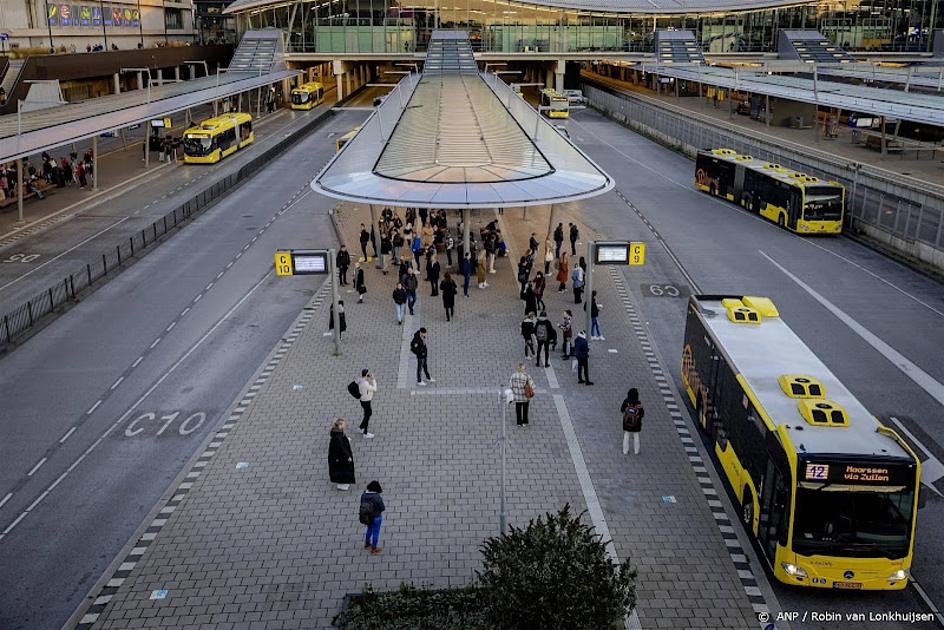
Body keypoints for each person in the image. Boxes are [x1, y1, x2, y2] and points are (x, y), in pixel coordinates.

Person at [359, 480, 385, 554]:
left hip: (367, 516)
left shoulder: (363, 495)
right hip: (376, 517)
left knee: (369, 529)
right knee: (376, 532)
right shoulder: (377, 497)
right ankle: (374, 548)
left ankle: (367, 544)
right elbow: (382, 508)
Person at [328, 419, 355, 490]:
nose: (344, 425)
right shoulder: (338, 437)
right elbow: (342, 449)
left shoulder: (336, 433)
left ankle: (341, 483)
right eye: (343, 424)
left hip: (336, 456)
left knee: (340, 469)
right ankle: (343, 484)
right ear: (340, 426)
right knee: (343, 468)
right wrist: (348, 456)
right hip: (340, 457)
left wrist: (346, 440)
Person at [621, 388, 645, 455]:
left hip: (627, 422)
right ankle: (636, 451)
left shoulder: (626, 401)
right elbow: (642, 414)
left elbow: (622, 409)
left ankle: (625, 451)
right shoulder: (638, 403)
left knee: (626, 435)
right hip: (636, 423)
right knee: (636, 435)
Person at [358, 369, 378, 438]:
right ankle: (365, 433)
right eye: (368, 374)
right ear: (366, 375)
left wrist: (367, 379)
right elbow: (375, 389)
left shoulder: (360, 380)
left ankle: (361, 427)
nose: (369, 375)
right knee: (367, 416)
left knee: (367, 414)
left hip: (362, 400)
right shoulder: (365, 383)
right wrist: (373, 380)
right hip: (366, 401)